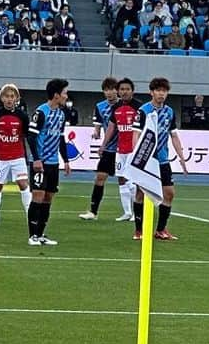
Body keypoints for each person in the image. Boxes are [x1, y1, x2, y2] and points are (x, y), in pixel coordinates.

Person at [132, 76, 188, 242]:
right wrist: (138, 156)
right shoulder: (143, 111)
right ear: (151, 92)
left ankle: (161, 229)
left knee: (169, 193)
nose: (161, 94)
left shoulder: (169, 112)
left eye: (164, 91)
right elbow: (136, 134)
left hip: (163, 159)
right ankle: (138, 230)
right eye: (158, 90)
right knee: (141, 193)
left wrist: (181, 156)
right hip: (146, 160)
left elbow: (174, 135)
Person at [26, 77, 71, 246]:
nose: (67, 96)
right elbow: (31, 136)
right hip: (40, 162)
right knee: (38, 195)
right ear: (56, 95)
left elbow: (60, 138)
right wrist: (36, 159)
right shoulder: (41, 112)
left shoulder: (61, 114)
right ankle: (32, 236)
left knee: (48, 198)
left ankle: (41, 233)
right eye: (65, 93)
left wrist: (66, 160)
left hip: (53, 163)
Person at [100, 76, 144, 223]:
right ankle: (127, 212)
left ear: (132, 91)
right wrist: (103, 145)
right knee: (121, 178)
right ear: (118, 91)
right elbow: (111, 128)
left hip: (134, 150)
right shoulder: (116, 108)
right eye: (122, 89)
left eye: (127, 89)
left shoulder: (139, 107)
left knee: (131, 179)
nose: (124, 92)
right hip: (120, 149)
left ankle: (136, 212)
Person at [0, 84, 32, 226]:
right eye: (6, 96)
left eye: (12, 96)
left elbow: (27, 135)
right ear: (2, 98)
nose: (9, 99)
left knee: (23, 184)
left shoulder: (22, 116)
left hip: (18, 156)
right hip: (1, 157)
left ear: (16, 98)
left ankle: (30, 216)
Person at [80, 76, 120, 220]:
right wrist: (96, 132)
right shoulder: (100, 106)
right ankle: (93, 212)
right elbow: (98, 124)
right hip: (109, 148)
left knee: (125, 180)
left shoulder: (123, 105)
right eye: (106, 89)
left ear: (118, 91)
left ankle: (130, 212)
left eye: (112, 89)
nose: (109, 92)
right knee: (100, 178)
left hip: (123, 149)